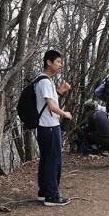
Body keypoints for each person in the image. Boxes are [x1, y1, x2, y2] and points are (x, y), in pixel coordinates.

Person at [36, 50, 73, 206]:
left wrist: (61, 91)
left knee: (46, 159)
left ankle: (44, 192)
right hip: (50, 126)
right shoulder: (44, 81)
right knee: (54, 161)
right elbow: (51, 107)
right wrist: (65, 114)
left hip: (45, 126)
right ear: (48, 62)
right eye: (58, 62)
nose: (60, 65)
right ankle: (52, 196)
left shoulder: (45, 81)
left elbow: (48, 102)